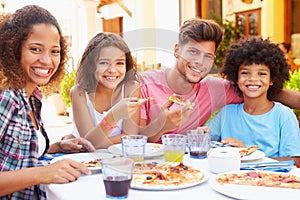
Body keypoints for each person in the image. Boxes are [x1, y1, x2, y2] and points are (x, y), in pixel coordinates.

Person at [139, 18, 300, 143]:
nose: (200, 62)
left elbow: (263, 90)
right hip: (145, 172)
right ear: (177, 50)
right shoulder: (144, 84)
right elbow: (129, 141)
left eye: (208, 56)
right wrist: (161, 127)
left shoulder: (214, 88)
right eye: (193, 52)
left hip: (187, 172)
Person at [0, 5, 96, 199]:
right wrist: (42, 174)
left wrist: (59, 147)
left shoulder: (33, 97)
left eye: (54, 51)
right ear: (13, 50)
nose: (47, 60)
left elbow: (19, 153)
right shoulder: (5, 98)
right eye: (36, 49)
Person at [207, 37, 300, 167]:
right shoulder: (227, 113)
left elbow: (295, 161)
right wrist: (201, 134)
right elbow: (206, 142)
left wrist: (249, 155)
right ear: (236, 78)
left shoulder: (283, 115)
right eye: (245, 73)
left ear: (272, 80)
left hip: (270, 181)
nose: (253, 79)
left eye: (262, 74)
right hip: (229, 179)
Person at [68, 32, 142, 149]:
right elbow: (89, 145)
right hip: (88, 159)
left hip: (117, 157)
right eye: (104, 63)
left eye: (119, 63)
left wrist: (95, 142)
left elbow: (131, 137)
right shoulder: (79, 93)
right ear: (91, 65)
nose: (112, 70)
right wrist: (114, 115)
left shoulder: (131, 88)